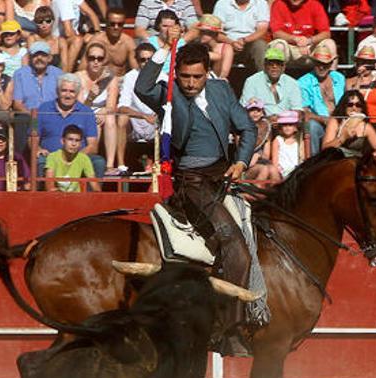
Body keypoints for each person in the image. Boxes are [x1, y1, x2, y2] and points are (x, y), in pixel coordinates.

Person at [135, 41, 258, 344]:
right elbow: (141, 86)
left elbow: (248, 129)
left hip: (223, 177)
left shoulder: (221, 91)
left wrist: (241, 161)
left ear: (208, 74)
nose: (190, 84)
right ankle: (229, 326)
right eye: (185, 77)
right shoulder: (167, 93)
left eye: (197, 77)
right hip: (190, 182)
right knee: (234, 245)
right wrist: (164, 48)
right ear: (177, 73)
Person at [36, 73, 106, 178]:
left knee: (99, 162)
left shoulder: (86, 112)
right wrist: (38, 149)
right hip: (50, 157)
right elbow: (32, 139)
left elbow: (92, 146)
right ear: (57, 91)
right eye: (64, 90)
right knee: (41, 161)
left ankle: (93, 194)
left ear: (77, 93)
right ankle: (44, 194)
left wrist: (75, 158)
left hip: (78, 156)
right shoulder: (43, 109)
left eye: (72, 91)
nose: (67, 95)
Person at [75, 43, 120, 174]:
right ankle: (89, 162)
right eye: (92, 58)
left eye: (99, 58)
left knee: (110, 119)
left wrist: (104, 111)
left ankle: (110, 165)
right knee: (95, 124)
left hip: (103, 113)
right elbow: (79, 109)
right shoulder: (78, 77)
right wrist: (90, 97)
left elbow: (111, 106)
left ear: (104, 60)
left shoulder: (111, 78)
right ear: (87, 59)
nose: (95, 62)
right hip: (83, 113)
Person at [13, 41, 63, 155]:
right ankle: (21, 162)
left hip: (53, 116)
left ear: (49, 58)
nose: (39, 58)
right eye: (35, 55)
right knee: (23, 121)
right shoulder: (20, 74)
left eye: (43, 55)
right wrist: (35, 116)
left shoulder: (59, 75)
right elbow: (17, 104)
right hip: (30, 117)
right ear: (30, 58)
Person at [298, 43, 345, 156]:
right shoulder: (303, 82)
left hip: (340, 122)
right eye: (318, 63)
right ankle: (313, 161)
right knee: (312, 126)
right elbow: (305, 112)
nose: (322, 67)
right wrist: (324, 120)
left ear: (330, 64)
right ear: (313, 63)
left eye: (326, 64)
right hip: (319, 124)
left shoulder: (339, 78)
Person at [116, 43, 158, 171]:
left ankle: (160, 164)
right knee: (122, 118)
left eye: (150, 60)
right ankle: (121, 165)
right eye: (142, 60)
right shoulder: (130, 77)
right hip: (136, 122)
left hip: (156, 123)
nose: (146, 63)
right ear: (137, 60)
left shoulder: (163, 78)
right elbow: (122, 107)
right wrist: (143, 116)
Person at [239, 47, 302, 118]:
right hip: (261, 121)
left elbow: (297, 110)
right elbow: (244, 107)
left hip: (285, 122)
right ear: (265, 65)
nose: (274, 66)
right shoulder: (251, 81)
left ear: (283, 67)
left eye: (278, 63)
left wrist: (282, 119)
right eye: (271, 63)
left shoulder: (292, 83)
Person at [268, 0, 330, 69]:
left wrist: (308, 41)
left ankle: (331, 78)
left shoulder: (315, 4)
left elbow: (326, 33)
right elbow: (276, 33)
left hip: (309, 47)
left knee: (329, 44)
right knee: (278, 45)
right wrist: (295, 39)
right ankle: (276, 78)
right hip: (289, 46)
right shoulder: (278, 4)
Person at [212, 0, 269, 74]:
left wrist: (245, 40)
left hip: (250, 43)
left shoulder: (261, 3)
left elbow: (262, 29)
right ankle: (218, 80)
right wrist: (232, 42)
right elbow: (216, 32)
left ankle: (264, 80)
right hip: (228, 43)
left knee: (260, 45)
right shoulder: (222, 3)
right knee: (219, 47)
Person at [321, 90, 376, 158]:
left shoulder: (366, 127)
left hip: (356, 163)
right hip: (335, 160)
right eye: (350, 105)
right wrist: (343, 138)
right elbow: (324, 149)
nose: (354, 108)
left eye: (358, 105)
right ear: (344, 106)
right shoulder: (335, 121)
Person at [45, 124, 101, 192]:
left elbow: (94, 185)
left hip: (77, 199)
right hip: (57, 198)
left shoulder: (84, 158)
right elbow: (49, 185)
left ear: (80, 144)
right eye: (70, 139)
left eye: (77, 140)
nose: (74, 144)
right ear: (62, 141)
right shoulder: (53, 157)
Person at [83, 8, 138, 76]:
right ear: (106, 23)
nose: (116, 27)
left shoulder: (128, 43)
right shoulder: (96, 41)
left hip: (120, 82)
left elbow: (136, 71)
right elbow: (82, 69)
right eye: (112, 24)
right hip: (98, 81)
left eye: (120, 24)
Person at [52, 0, 100, 71]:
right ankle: (67, 74)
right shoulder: (63, 1)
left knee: (94, 39)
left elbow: (92, 15)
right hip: (57, 40)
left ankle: (80, 73)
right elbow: (68, 32)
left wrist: (96, 33)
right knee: (78, 41)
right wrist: (84, 38)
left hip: (71, 36)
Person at [194, 14, 233, 79]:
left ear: (214, 34)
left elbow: (224, 74)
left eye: (204, 32)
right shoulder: (195, 45)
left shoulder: (226, 48)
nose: (200, 34)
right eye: (200, 31)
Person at [134, 0, 198, 40]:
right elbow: (139, 30)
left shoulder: (185, 2)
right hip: (153, 44)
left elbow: (194, 29)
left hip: (178, 42)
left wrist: (181, 42)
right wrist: (154, 42)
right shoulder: (147, 2)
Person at [269, 109, 301, 180]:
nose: (287, 127)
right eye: (284, 125)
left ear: (295, 127)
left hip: (296, 171)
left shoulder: (299, 141)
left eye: (290, 125)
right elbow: (275, 161)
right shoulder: (278, 140)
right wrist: (277, 171)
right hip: (281, 172)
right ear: (280, 127)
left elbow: (302, 158)